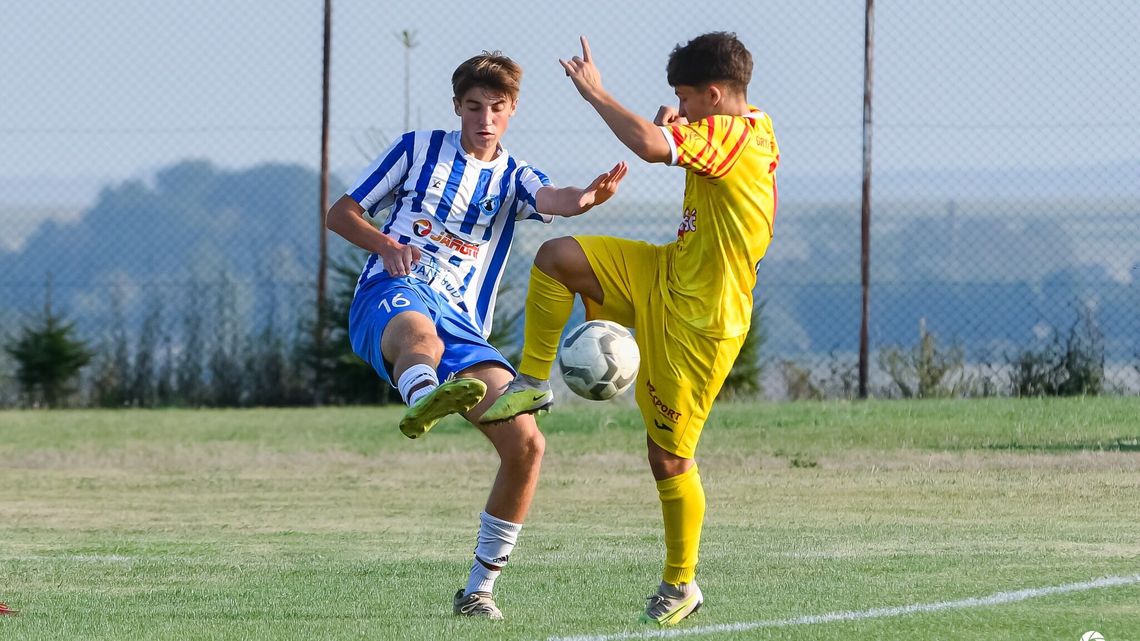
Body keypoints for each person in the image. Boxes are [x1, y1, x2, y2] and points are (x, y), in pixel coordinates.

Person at [482, 33, 779, 625]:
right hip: (668, 272)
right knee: (558, 258)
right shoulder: (748, 122)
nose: (682, 108)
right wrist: (676, 121)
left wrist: (596, 93)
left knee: (667, 457)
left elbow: (648, 146)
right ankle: (532, 381)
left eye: (687, 99)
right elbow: (680, 139)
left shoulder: (733, 135)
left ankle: (681, 585)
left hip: (703, 321)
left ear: (716, 95)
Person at [325, 50, 627, 620]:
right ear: (457, 107)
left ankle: (479, 589)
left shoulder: (515, 175)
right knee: (422, 340)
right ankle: (422, 397)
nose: (484, 118)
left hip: (465, 320)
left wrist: (587, 198)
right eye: (473, 107)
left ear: (512, 110)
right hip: (393, 293)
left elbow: (551, 200)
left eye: (496, 107)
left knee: (527, 444)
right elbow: (341, 213)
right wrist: (387, 245)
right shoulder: (417, 150)